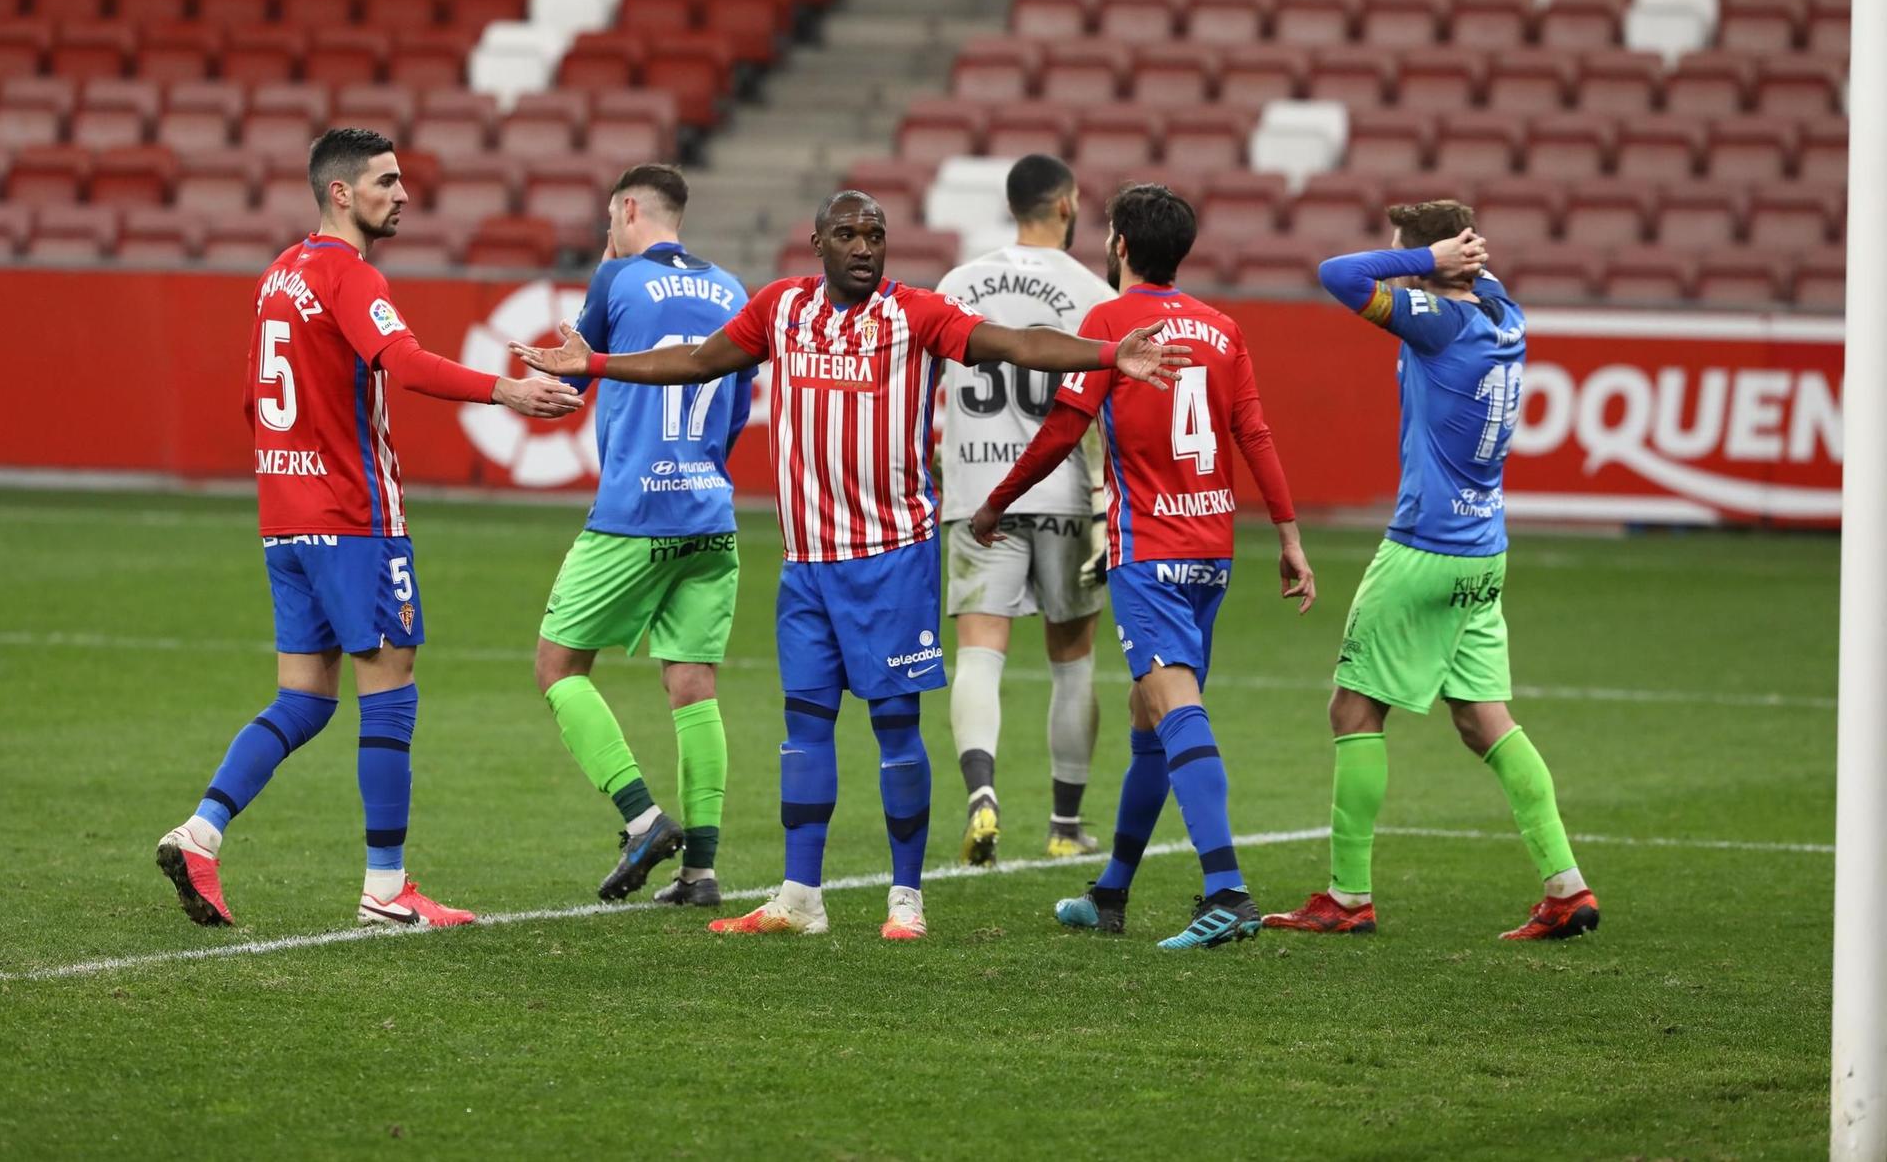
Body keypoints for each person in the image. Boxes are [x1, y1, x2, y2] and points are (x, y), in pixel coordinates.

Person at [512, 190, 1189, 941]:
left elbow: (1013, 344)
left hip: (893, 558)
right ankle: (800, 896)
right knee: (804, 729)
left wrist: (1106, 354)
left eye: (876, 234)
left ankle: (906, 898)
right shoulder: (781, 310)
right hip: (806, 566)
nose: (864, 246)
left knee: (896, 729)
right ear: (818, 242)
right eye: (848, 234)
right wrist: (596, 363)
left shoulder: (918, 314)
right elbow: (700, 361)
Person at [155, 128, 580, 929]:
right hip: (354, 518)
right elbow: (407, 362)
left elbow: (254, 401)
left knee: (306, 697)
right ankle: (386, 888)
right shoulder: (349, 276)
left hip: (285, 517)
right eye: (387, 181)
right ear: (341, 193)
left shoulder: (278, 276)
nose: (404, 194)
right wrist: (508, 392)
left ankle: (200, 832)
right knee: (390, 686)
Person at [969, 182, 1316, 951]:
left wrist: (995, 501)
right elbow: (1254, 434)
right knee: (1148, 719)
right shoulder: (1224, 329)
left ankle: (1227, 889)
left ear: (1120, 244)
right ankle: (1113, 891)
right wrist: (1289, 538)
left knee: (1175, 707)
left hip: (1149, 551)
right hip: (1212, 553)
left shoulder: (1111, 323)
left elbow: (1065, 427)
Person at [1263, 201, 1599, 942]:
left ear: (1435, 262)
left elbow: (1337, 274)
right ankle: (1566, 887)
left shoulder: (1437, 322)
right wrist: (1449, 257)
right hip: (1484, 550)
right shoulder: (1504, 310)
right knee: (1485, 720)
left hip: (1424, 547)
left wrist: (1425, 259)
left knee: (1353, 711)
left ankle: (1348, 897)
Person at [534, 164, 754, 907]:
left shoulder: (619, 280)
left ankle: (643, 816)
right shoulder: (733, 290)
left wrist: (605, 259)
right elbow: (738, 410)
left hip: (633, 513)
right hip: (709, 512)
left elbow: (573, 376)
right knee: (693, 685)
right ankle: (703, 871)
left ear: (626, 210)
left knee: (558, 667)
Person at [935, 154, 1114, 866]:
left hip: (979, 493)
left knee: (980, 653)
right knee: (1072, 661)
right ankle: (1065, 825)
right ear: (1066, 204)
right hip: (1066, 491)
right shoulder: (1092, 291)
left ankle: (982, 793)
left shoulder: (956, 284)